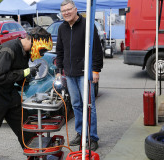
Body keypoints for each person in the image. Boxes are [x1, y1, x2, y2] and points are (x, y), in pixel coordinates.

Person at [0, 26, 53, 160]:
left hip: (9, 93)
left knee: (26, 129)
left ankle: (36, 157)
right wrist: (24, 72)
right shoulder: (8, 50)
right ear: (33, 42)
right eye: (42, 50)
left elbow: (18, 75)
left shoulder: (25, 52)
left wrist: (28, 75)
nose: (42, 54)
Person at [56, 0, 103, 151]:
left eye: (69, 9)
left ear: (76, 9)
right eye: (64, 11)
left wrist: (96, 70)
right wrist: (59, 70)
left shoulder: (87, 25)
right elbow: (60, 51)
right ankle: (80, 133)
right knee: (75, 105)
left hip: (85, 73)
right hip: (69, 73)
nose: (66, 13)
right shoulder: (62, 28)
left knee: (89, 106)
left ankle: (93, 137)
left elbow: (96, 48)